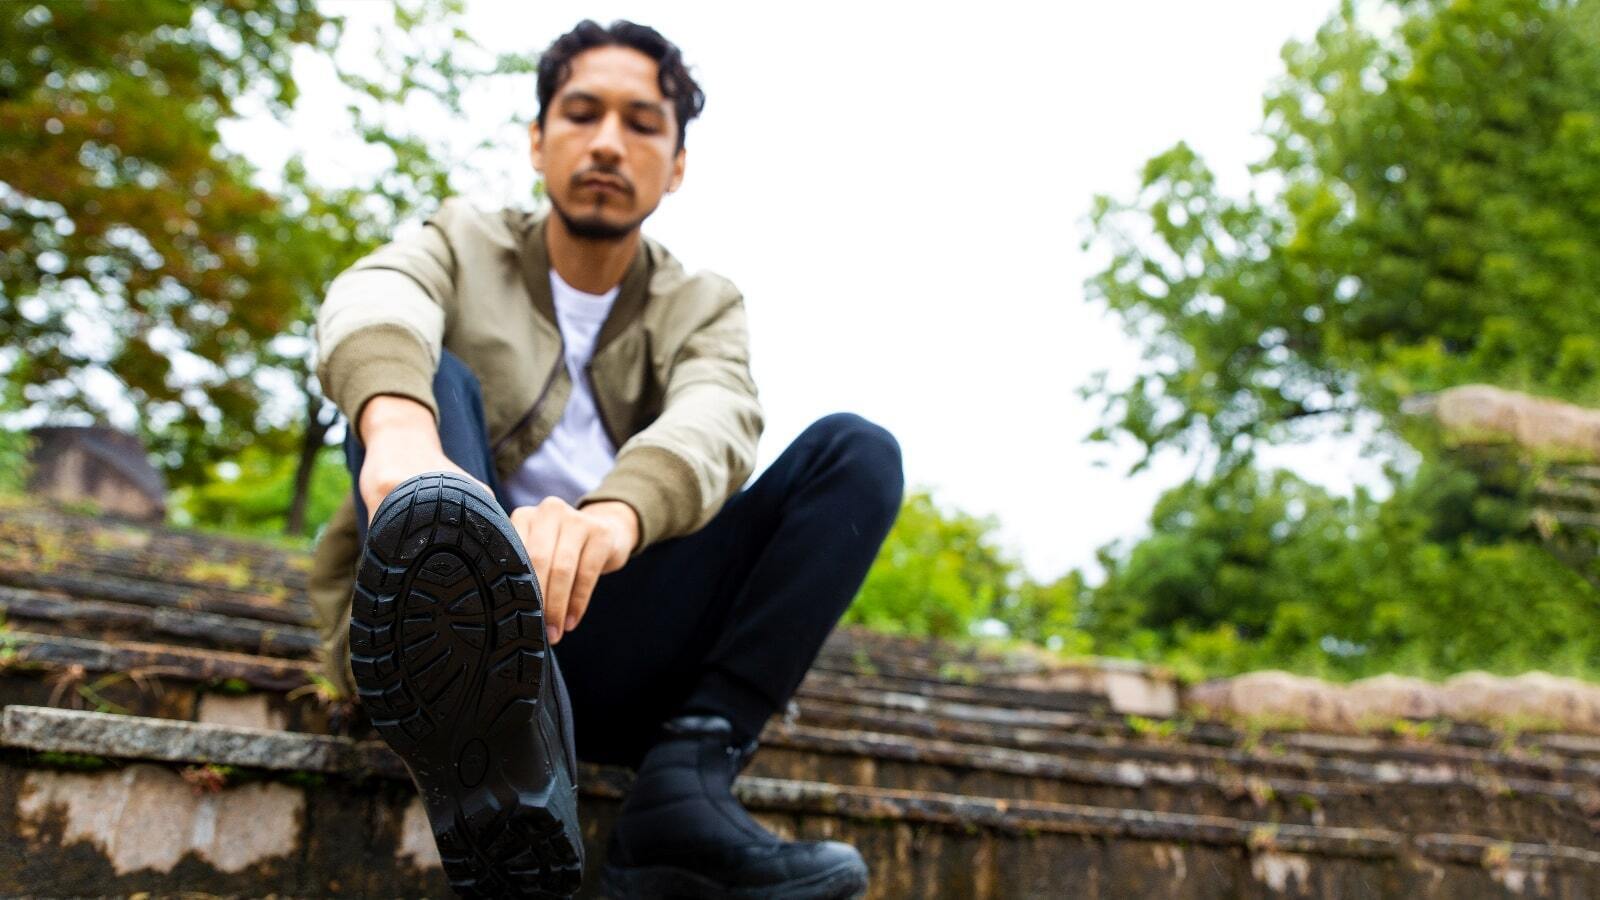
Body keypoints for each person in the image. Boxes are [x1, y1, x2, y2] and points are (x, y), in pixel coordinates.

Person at [306, 19, 904, 899]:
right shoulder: (463, 240)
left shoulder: (700, 304)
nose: (609, 144)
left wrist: (611, 519)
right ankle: (485, 743)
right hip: (451, 654)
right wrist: (400, 437)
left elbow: (720, 413)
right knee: (417, 370)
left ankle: (684, 786)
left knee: (857, 453)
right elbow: (376, 293)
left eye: (642, 123)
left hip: (614, 644)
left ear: (678, 164)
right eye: (582, 114)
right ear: (537, 140)